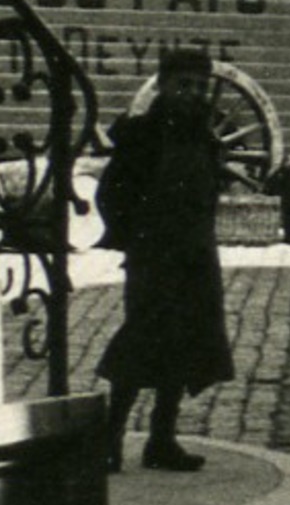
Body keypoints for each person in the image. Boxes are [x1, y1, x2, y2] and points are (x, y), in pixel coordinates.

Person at [96, 48, 235, 473]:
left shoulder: (205, 138)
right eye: (182, 85)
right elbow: (111, 195)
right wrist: (136, 236)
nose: (191, 93)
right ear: (162, 85)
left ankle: (162, 440)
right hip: (154, 255)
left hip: (195, 254)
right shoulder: (141, 136)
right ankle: (110, 438)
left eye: (198, 86)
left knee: (187, 343)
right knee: (141, 341)